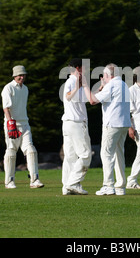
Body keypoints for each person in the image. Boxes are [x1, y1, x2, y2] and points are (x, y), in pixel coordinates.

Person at [83, 63, 131, 196]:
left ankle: (108, 185)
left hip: (112, 124)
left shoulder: (112, 85)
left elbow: (92, 101)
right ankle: (120, 187)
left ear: (109, 75)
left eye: (104, 75)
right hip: (123, 124)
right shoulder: (123, 84)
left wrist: (85, 86)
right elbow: (103, 98)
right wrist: (102, 88)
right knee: (119, 154)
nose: (103, 77)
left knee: (106, 154)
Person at [1, 65, 44, 189]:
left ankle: (34, 180)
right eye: (19, 75)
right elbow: (6, 108)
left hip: (25, 123)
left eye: (23, 75)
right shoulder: (8, 88)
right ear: (14, 76)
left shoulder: (25, 89)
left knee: (31, 150)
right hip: (12, 124)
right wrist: (10, 123)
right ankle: (9, 181)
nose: (22, 77)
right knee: (11, 151)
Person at [61, 58, 92, 195]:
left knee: (70, 157)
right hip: (76, 123)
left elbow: (87, 100)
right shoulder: (72, 81)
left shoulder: (77, 82)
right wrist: (77, 87)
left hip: (69, 123)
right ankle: (72, 183)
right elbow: (68, 96)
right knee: (85, 155)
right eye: (84, 67)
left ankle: (67, 187)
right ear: (78, 68)